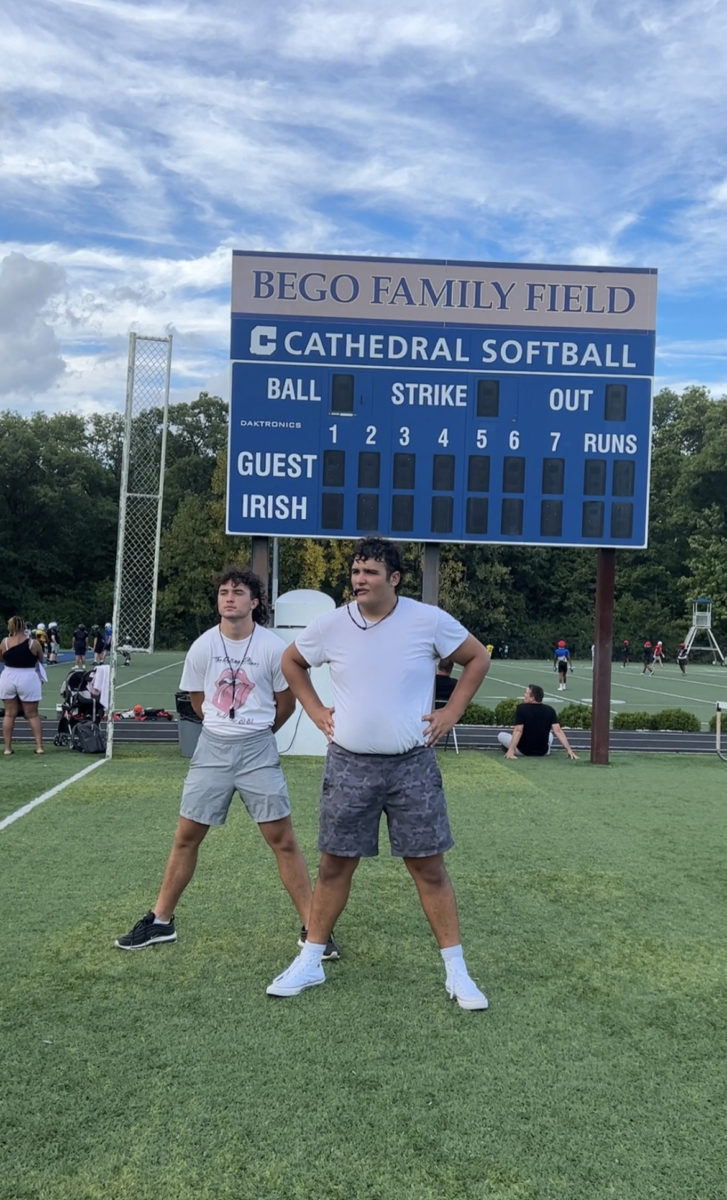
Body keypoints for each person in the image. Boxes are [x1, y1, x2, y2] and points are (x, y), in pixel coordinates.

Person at [266, 536, 491, 1010]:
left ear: (394, 578)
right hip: (349, 764)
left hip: (412, 765)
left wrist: (451, 712)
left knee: (429, 867)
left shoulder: (427, 619)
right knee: (334, 865)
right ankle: (310, 959)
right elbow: (292, 661)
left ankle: (457, 971)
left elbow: (477, 657)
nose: (359, 580)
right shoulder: (331, 625)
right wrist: (314, 709)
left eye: (369, 572)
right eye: (355, 572)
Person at [115, 567, 326, 956]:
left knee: (283, 840)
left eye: (238, 592)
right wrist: (221, 726)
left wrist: (258, 733)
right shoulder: (202, 646)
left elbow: (286, 703)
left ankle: (315, 929)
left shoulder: (272, 647)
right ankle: (161, 921)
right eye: (224, 591)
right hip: (212, 748)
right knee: (186, 836)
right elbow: (197, 700)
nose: (229, 597)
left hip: (257, 749)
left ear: (254, 602)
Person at [0, 616, 46, 755]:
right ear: (24, 627)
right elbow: (40, 658)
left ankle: (7, 748)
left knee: (9, 714)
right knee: (32, 714)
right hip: (28, 676)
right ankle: (39, 747)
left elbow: (1, 658)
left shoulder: (5, 642)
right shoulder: (33, 643)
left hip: (8, 676)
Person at [497, 684, 578, 760]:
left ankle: (510, 748)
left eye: (526, 693)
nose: (524, 695)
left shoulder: (521, 708)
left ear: (532, 698)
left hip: (523, 751)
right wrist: (569, 750)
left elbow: (518, 730)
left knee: (501, 735)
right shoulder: (550, 710)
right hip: (544, 752)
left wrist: (511, 750)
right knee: (550, 734)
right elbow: (558, 731)